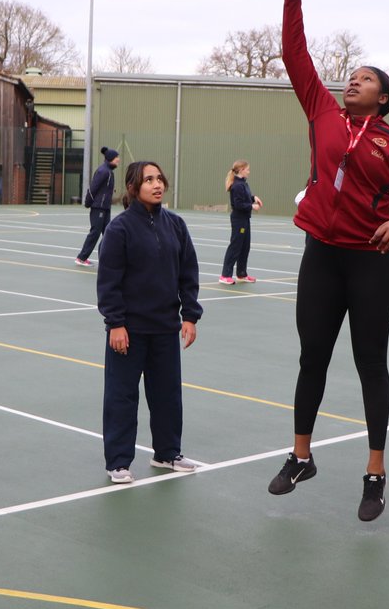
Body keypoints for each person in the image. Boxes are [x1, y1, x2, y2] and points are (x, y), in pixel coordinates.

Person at [268, 0, 389, 522]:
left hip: (368, 262)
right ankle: (302, 456)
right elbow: (295, 53)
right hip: (322, 256)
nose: (349, 83)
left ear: (382, 97)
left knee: (370, 363)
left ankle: (375, 471)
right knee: (313, 357)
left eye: (361, 80)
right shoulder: (321, 113)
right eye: (349, 78)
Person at [97, 161, 203, 484]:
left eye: (159, 179)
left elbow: (188, 273)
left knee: (167, 394)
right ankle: (118, 461)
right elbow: (109, 281)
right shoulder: (119, 230)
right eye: (148, 180)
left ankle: (167, 453)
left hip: (165, 329)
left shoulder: (176, 225)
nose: (157, 185)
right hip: (129, 332)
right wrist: (116, 323)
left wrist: (189, 317)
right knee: (122, 396)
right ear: (133, 187)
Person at [219, 160, 263, 284]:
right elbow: (238, 204)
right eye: (247, 169)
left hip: (245, 219)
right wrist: (252, 206)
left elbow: (246, 197)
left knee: (245, 246)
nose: (249, 171)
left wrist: (254, 198)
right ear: (241, 170)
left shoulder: (243, 184)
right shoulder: (237, 186)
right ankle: (225, 275)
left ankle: (241, 274)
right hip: (239, 219)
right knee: (235, 246)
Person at [75, 146, 120, 266]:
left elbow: (103, 189)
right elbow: (93, 188)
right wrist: (88, 202)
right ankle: (81, 258)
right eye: (116, 157)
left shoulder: (109, 171)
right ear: (110, 158)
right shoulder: (103, 171)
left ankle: (106, 259)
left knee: (108, 233)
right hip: (98, 208)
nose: (118, 160)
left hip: (105, 208)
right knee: (95, 232)